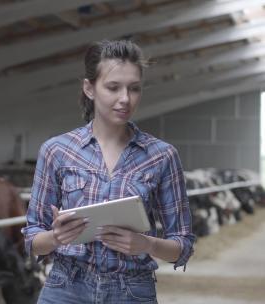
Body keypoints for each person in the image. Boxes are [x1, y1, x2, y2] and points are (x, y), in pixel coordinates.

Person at [22, 40, 195, 303]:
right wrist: (56, 237)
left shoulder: (162, 155)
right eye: (113, 87)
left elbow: (182, 246)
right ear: (89, 88)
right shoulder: (57, 150)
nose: (125, 99)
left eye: (134, 89)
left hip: (132, 290)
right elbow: (32, 239)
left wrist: (147, 244)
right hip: (66, 287)